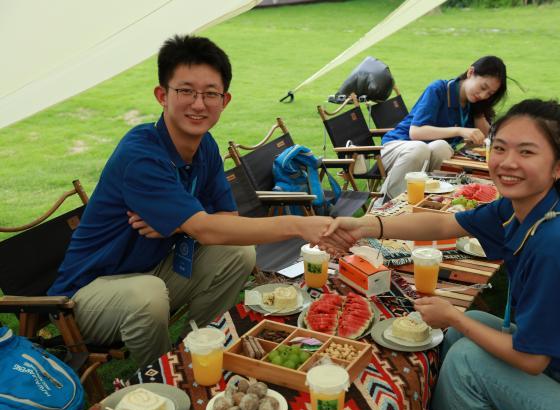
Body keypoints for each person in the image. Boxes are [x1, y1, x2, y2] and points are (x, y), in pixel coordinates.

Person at [323, 99, 560, 410]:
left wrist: (453, 315)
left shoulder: (553, 243)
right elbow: (444, 223)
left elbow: (532, 360)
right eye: (500, 148)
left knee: (466, 357)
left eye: (526, 152)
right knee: (465, 329)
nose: (507, 162)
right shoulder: (528, 207)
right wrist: (367, 225)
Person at [48, 35, 344, 366]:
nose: (199, 104)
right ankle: (170, 376)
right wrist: (300, 224)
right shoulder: (141, 156)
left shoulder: (204, 147)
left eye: (210, 93)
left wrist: (177, 226)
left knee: (237, 253)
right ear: (162, 95)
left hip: (153, 271)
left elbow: (227, 223)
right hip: (85, 296)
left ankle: (201, 349)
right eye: (186, 91)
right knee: (148, 294)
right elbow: (208, 229)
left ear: (225, 100)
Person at [378, 56, 507, 200]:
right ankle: (385, 202)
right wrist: (459, 130)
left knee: (442, 147)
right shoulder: (439, 89)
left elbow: (487, 140)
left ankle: (427, 200)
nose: (483, 95)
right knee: (420, 148)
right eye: (483, 87)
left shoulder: (473, 103)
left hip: (425, 156)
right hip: (397, 148)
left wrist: (479, 111)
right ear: (470, 72)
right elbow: (416, 132)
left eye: (489, 94)